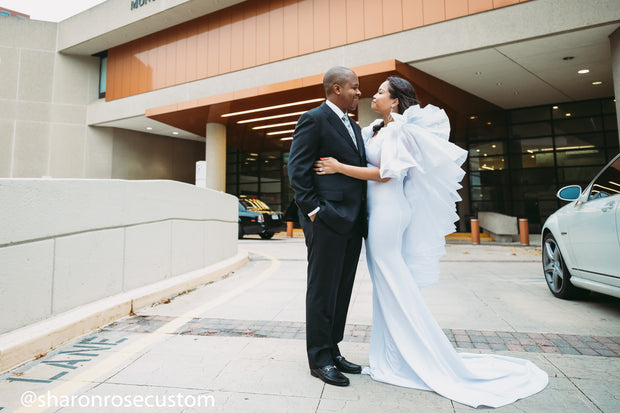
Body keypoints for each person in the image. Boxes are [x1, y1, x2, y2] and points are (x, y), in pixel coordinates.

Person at [313, 77, 548, 407]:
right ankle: (391, 355)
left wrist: (339, 167)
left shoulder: (398, 131)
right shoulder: (376, 129)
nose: (373, 95)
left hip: (389, 213)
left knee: (393, 282)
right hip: (376, 213)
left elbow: (387, 173)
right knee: (386, 284)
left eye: (381, 92)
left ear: (395, 101)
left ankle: (417, 355)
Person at [287, 66, 368, 387]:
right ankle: (319, 358)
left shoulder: (353, 124)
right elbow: (297, 168)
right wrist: (314, 211)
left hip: (352, 220)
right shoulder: (314, 119)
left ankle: (332, 349)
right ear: (337, 88)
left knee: (341, 288)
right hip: (326, 220)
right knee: (322, 290)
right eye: (355, 88)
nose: (359, 93)